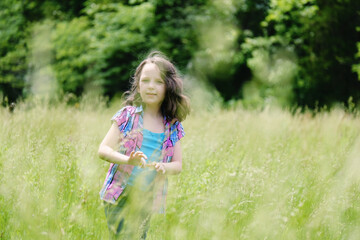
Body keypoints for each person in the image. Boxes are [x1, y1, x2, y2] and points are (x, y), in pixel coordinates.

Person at [98, 51, 190, 239]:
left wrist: (163, 166)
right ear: (138, 86)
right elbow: (103, 150)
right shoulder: (127, 115)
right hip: (119, 194)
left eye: (158, 82)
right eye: (145, 80)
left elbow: (178, 165)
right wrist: (128, 159)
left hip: (147, 197)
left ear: (168, 87)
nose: (151, 87)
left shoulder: (172, 126)